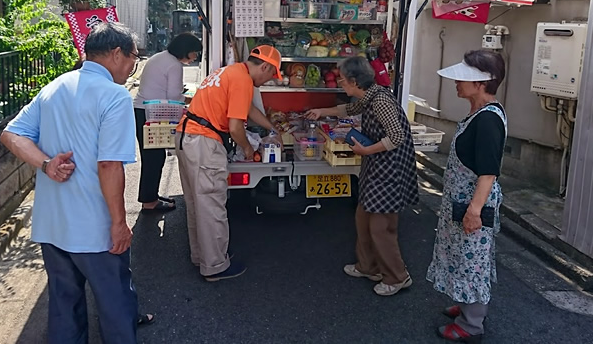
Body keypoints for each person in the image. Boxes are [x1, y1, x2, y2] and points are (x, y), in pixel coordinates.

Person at [0, 22, 150, 344]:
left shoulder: (54, 87)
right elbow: (109, 164)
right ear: (115, 53)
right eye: (133, 57)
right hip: (95, 228)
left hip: (53, 224)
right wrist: (120, 223)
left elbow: (11, 134)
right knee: (115, 304)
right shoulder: (114, 96)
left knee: (64, 306)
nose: (132, 66)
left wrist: (45, 164)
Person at [306, 56, 418, 296]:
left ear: (355, 81)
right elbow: (348, 109)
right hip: (376, 166)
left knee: (381, 226)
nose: (340, 84)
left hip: (390, 169)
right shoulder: (368, 97)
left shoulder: (381, 101)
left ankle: (398, 276)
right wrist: (320, 111)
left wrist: (366, 150)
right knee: (363, 216)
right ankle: (368, 266)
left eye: (343, 80)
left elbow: (396, 137)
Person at [175, 45, 282, 282]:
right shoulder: (243, 80)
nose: (269, 80)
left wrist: (271, 128)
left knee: (197, 204)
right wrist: (247, 147)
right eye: (272, 75)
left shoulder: (230, 72)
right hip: (204, 142)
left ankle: (203, 255)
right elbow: (235, 128)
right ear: (264, 66)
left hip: (187, 137)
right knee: (212, 204)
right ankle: (215, 266)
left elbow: (249, 109)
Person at [426, 50, 507, 343]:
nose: (457, 82)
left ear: (482, 83)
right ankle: (466, 302)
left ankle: (471, 324)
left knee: (472, 263)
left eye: (464, 78)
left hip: (472, 204)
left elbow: (488, 173)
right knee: (461, 257)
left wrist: (474, 210)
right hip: (462, 202)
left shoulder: (487, 120)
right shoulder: (478, 112)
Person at [133, 33, 202, 213]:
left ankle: (151, 196)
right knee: (153, 159)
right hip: (151, 114)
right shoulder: (174, 65)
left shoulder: (161, 57)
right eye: (195, 52)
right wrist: (190, 101)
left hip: (143, 111)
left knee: (153, 157)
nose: (196, 57)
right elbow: (173, 96)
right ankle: (149, 201)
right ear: (186, 51)